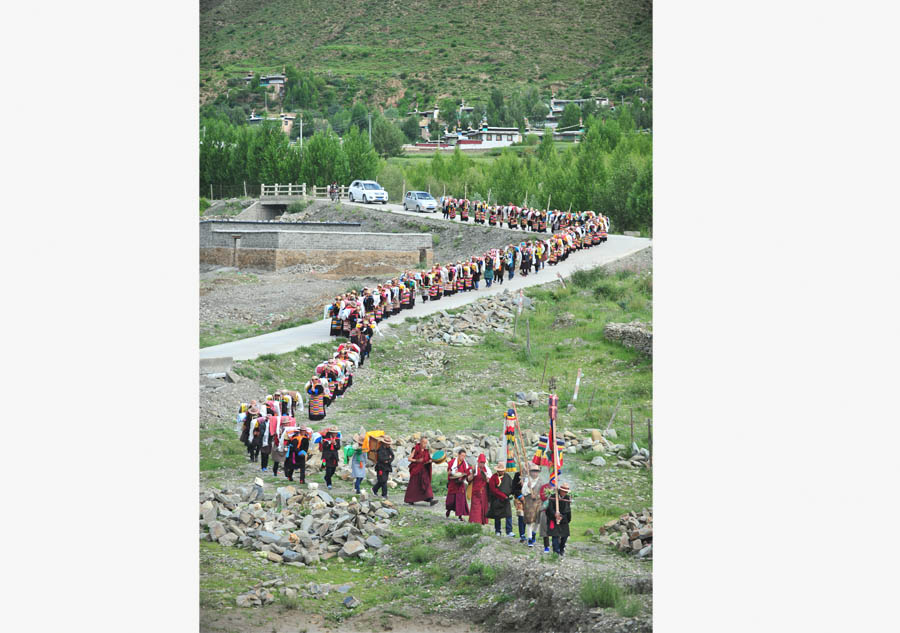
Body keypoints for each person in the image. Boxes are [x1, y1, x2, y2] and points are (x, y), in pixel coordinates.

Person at [404, 436, 437, 506]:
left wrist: (430, 461)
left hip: (423, 470)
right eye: (424, 442)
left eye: (426, 443)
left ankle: (430, 499)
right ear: (420, 442)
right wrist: (417, 460)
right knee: (414, 485)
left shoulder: (426, 451)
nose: (425, 444)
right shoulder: (416, 449)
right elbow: (409, 459)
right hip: (416, 470)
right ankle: (410, 500)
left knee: (426, 484)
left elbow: (426, 461)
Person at [487, 463, 514, 537]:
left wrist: (511, 494)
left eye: (502, 470)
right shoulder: (493, 477)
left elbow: (511, 486)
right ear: (497, 471)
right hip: (497, 499)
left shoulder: (507, 477)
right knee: (497, 516)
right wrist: (502, 496)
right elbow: (493, 489)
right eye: (500, 471)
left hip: (506, 499)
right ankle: (498, 531)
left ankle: (509, 531)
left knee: (508, 515)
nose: (502, 472)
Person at [545, 482, 572, 557]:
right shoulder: (553, 497)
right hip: (553, 519)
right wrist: (554, 514)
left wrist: (561, 516)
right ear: (560, 490)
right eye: (563, 491)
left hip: (563, 519)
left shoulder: (567, 499)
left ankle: (561, 548)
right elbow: (549, 509)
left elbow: (567, 510)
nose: (564, 493)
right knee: (555, 536)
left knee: (564, 536)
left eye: (566, 492)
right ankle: (555, 552)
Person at [521, 463, 543, 548]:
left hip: (538, 503)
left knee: (537, 521)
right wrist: (527, 487)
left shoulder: (541, 481)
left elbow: (543, 493)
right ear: (530, 472)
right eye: (533, 471)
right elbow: (523, 492)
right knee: (529, 521)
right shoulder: (527, 481)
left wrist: (537, 496)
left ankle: (533, 533)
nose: (535, 473)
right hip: (529, 504)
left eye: (536, 471)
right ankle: (529, 538)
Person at [445, 449, 470, 520]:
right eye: (462, 455)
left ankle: (460, 516)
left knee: (460, 500)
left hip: (460, 484)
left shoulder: (465, 464)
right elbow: (449, 472)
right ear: (458, 455)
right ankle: (449, 510)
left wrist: (463, 476)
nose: (463, 457)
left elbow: (467, 472)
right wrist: (452, 473)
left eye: (464, 456)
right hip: (453, 484)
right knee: (451, 500)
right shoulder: (452, 462)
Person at [468, 453, 491, 525]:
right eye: (481, 462)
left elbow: (490, 481)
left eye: (483, 463)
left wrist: (486, 478)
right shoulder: (474, 468)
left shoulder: (487, 470)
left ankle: (483, 521)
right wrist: (472, 473)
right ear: (478, 461)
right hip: (475, 491)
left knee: (484, 506)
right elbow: (469, 479)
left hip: (484, 492)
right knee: (476, 507)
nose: (482, 464)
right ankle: (475, 522)